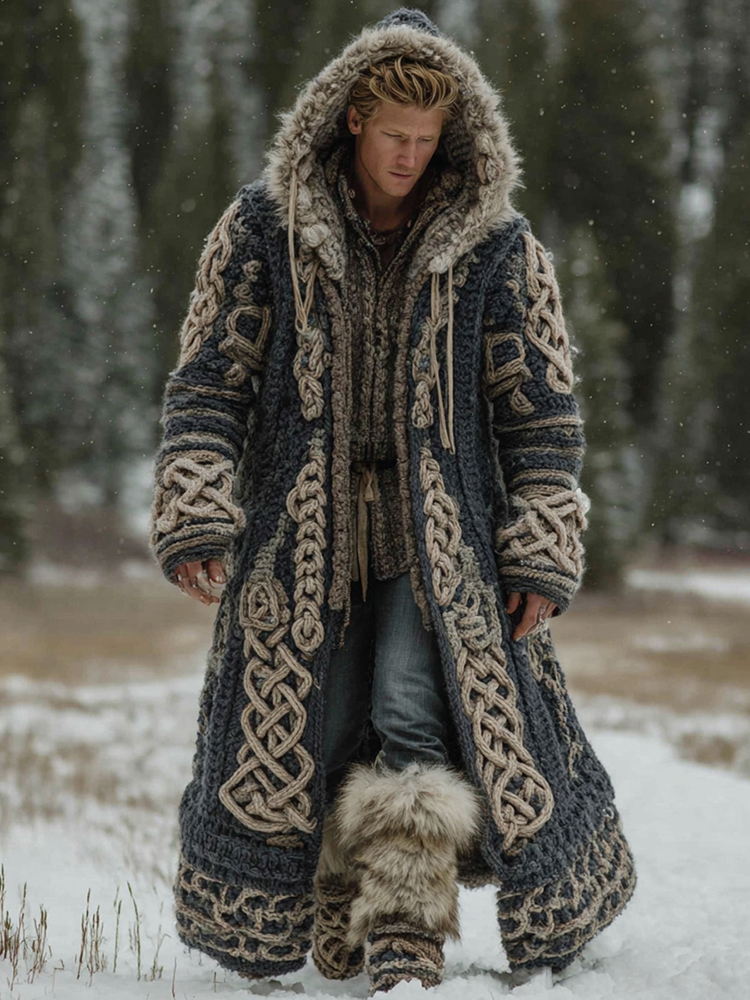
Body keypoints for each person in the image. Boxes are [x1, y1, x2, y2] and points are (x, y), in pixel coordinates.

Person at [149, 7, 636, 994]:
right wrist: (196, 502)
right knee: (317, 727)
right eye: (394, 136)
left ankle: (407, 937)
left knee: (410, 709)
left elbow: (541, 416)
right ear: (351, 121)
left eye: (427, 137)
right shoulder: (263, 229)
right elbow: (209, 384)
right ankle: (341, 917)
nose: (410, 156)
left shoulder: (499, 248)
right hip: (299, 539)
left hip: (440, 542)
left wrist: (542, 538)